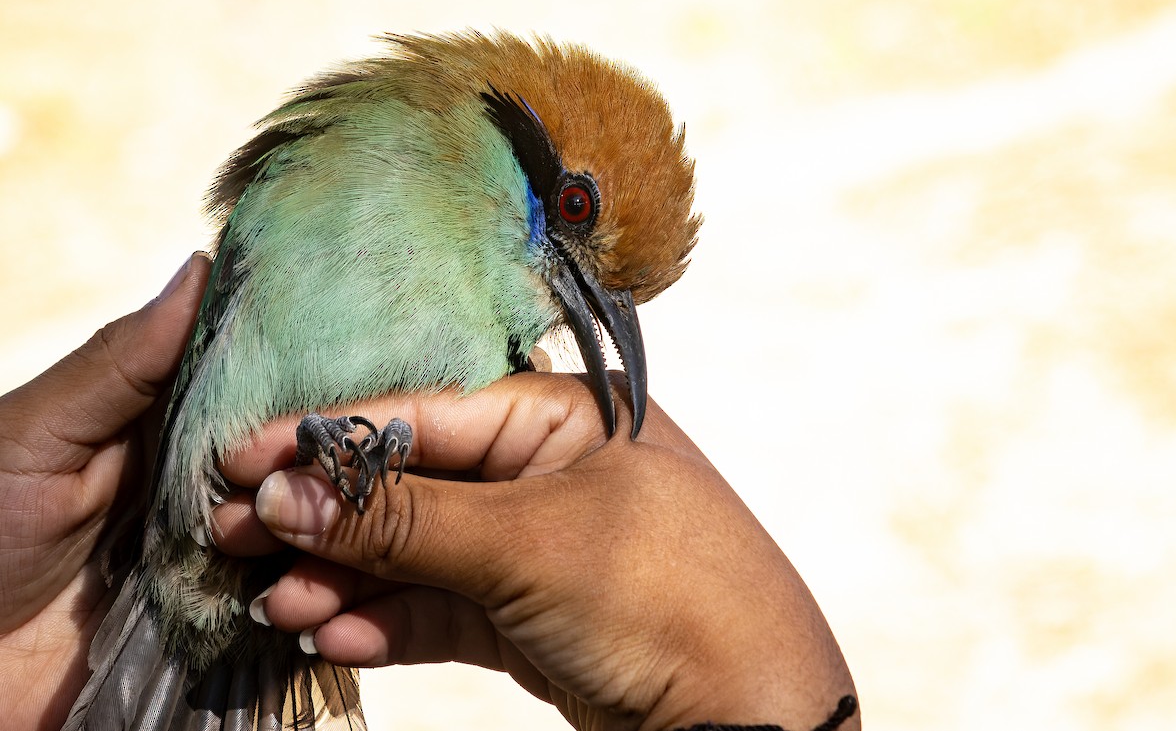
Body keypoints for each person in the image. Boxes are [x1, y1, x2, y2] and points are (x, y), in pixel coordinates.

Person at [0, 253, 859, 731]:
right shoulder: (371, 158)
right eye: (574, 219)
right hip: (175, 567)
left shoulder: (501, 306)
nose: (588, 302)